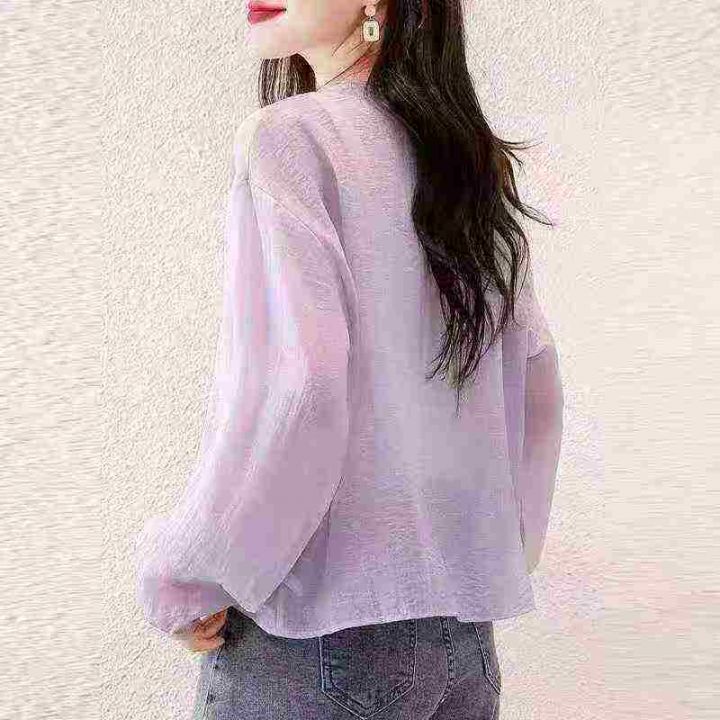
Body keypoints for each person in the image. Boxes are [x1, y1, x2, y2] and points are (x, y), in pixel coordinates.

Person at [134, 0, 564, 717]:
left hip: (320, 643)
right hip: (463, 641)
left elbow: (301, 387)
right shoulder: (470, 159)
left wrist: (187, 575)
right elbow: (538, 385)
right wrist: (491, 556)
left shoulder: (290, 136)